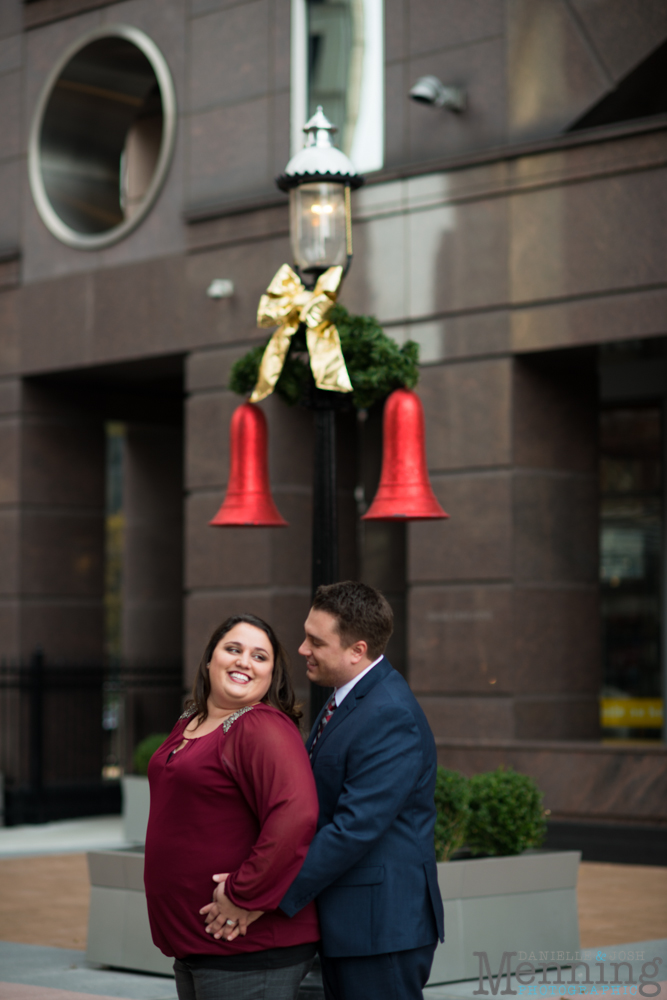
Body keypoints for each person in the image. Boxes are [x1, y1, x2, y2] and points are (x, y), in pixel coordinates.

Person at [209, 581, 445, 1000]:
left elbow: (353, 828)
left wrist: (258, 893)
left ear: (357, 650)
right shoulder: (349, 698)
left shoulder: (390, 713)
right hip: (353, 924)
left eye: (316, 642)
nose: (301, 649)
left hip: (380, 930)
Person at [143, 613, 320, 1000]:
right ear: (210, 659)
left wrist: (243, 894)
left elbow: (296, 816)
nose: (244, 661)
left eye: (260, 657)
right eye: (234, 649)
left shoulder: (260, 726)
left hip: (247, 948)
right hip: (198, 945)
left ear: (272, 675)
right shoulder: (191, 720)